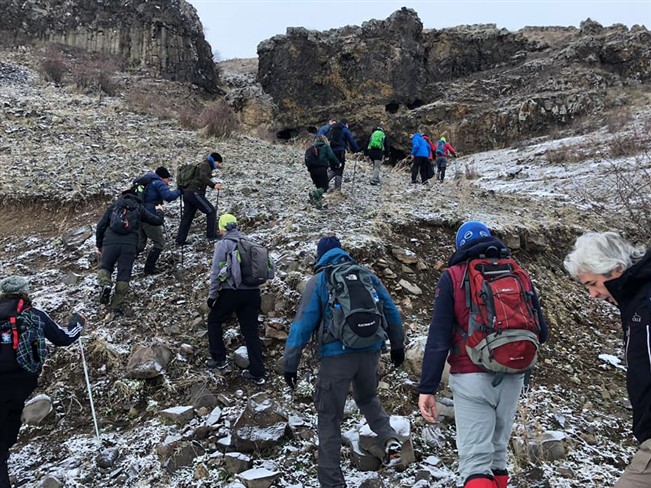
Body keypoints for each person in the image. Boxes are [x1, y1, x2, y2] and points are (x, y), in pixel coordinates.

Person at [418, 222, 548, 488]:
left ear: (460, 246)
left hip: (471, 377)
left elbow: (439, 338)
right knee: (498, 455)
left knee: (476, 463)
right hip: (513, 373)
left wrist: (427, 388)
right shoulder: (517, 272)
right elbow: (542, 332)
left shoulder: (453, 276)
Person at [283, 236, 405, 488]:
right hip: (370, 353)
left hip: (336, 358)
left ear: (320, 256)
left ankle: (332, 483)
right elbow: (391, 310)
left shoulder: (320, 280)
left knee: (329, 418)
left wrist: (290, 364)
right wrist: (397, 345)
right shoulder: (366, 276)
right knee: (368, 399)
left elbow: (302, 324)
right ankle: (389, 439)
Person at [564, 232, 651, 487]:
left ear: (616, 269)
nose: (592, 294)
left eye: (593, 284)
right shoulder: (636, 301)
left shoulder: (646, 303)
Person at [0, 276, 84, 487]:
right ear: (25, 292)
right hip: (23, 382)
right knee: (10, 424)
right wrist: (77, 324)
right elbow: (64, 338)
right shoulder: (35, 315)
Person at [206, 214, 266, 385]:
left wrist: (212, 296)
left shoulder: (223, 244)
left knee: (214, 320)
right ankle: (258, 372)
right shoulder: (249, 242)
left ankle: (219, 359)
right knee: (251, 332)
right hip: (253, 293)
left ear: (222, 228)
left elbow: (216, 272)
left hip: (231, 292)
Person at [96, 188, 164, 317]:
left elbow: (100, 226)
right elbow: (157, 221)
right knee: (124, 273)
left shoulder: (114, 207)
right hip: (129, 245)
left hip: (110, 242)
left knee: (105, 267)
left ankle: (106, 284)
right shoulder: (139, 208)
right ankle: (115, 307)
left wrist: (99, 244)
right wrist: (160, 211)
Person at [136, 166, 182, 275]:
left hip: (139, 214)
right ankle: (149, 269)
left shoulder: (145, 181)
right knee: (159, 243)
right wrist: (179, 191)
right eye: (167, 179)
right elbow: (168, 196)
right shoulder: (158, 183)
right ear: (163, 177)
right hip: (151, 216)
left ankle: (124, 261)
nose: (168, 182)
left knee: (140, 244)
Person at [175, 153, 223, 247]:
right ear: (215, 161)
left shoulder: (203, 165)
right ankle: (211, 235)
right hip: (195, 192)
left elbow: (202, 177)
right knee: (211, 211)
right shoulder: (205, 165)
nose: (219, 165)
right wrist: (213, 185)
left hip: (188, 193)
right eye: (219, 163)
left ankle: (180, 240)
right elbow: (202, 177)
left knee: (187, 217)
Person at [327, 119, 360, 191]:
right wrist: (356, 149)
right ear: (346, 124)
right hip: (340, 152)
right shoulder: (345, 130)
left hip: (331, 151)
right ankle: (337, 189)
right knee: (339, 170)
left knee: (333, 169)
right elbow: (351, 140)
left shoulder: (332, 128)